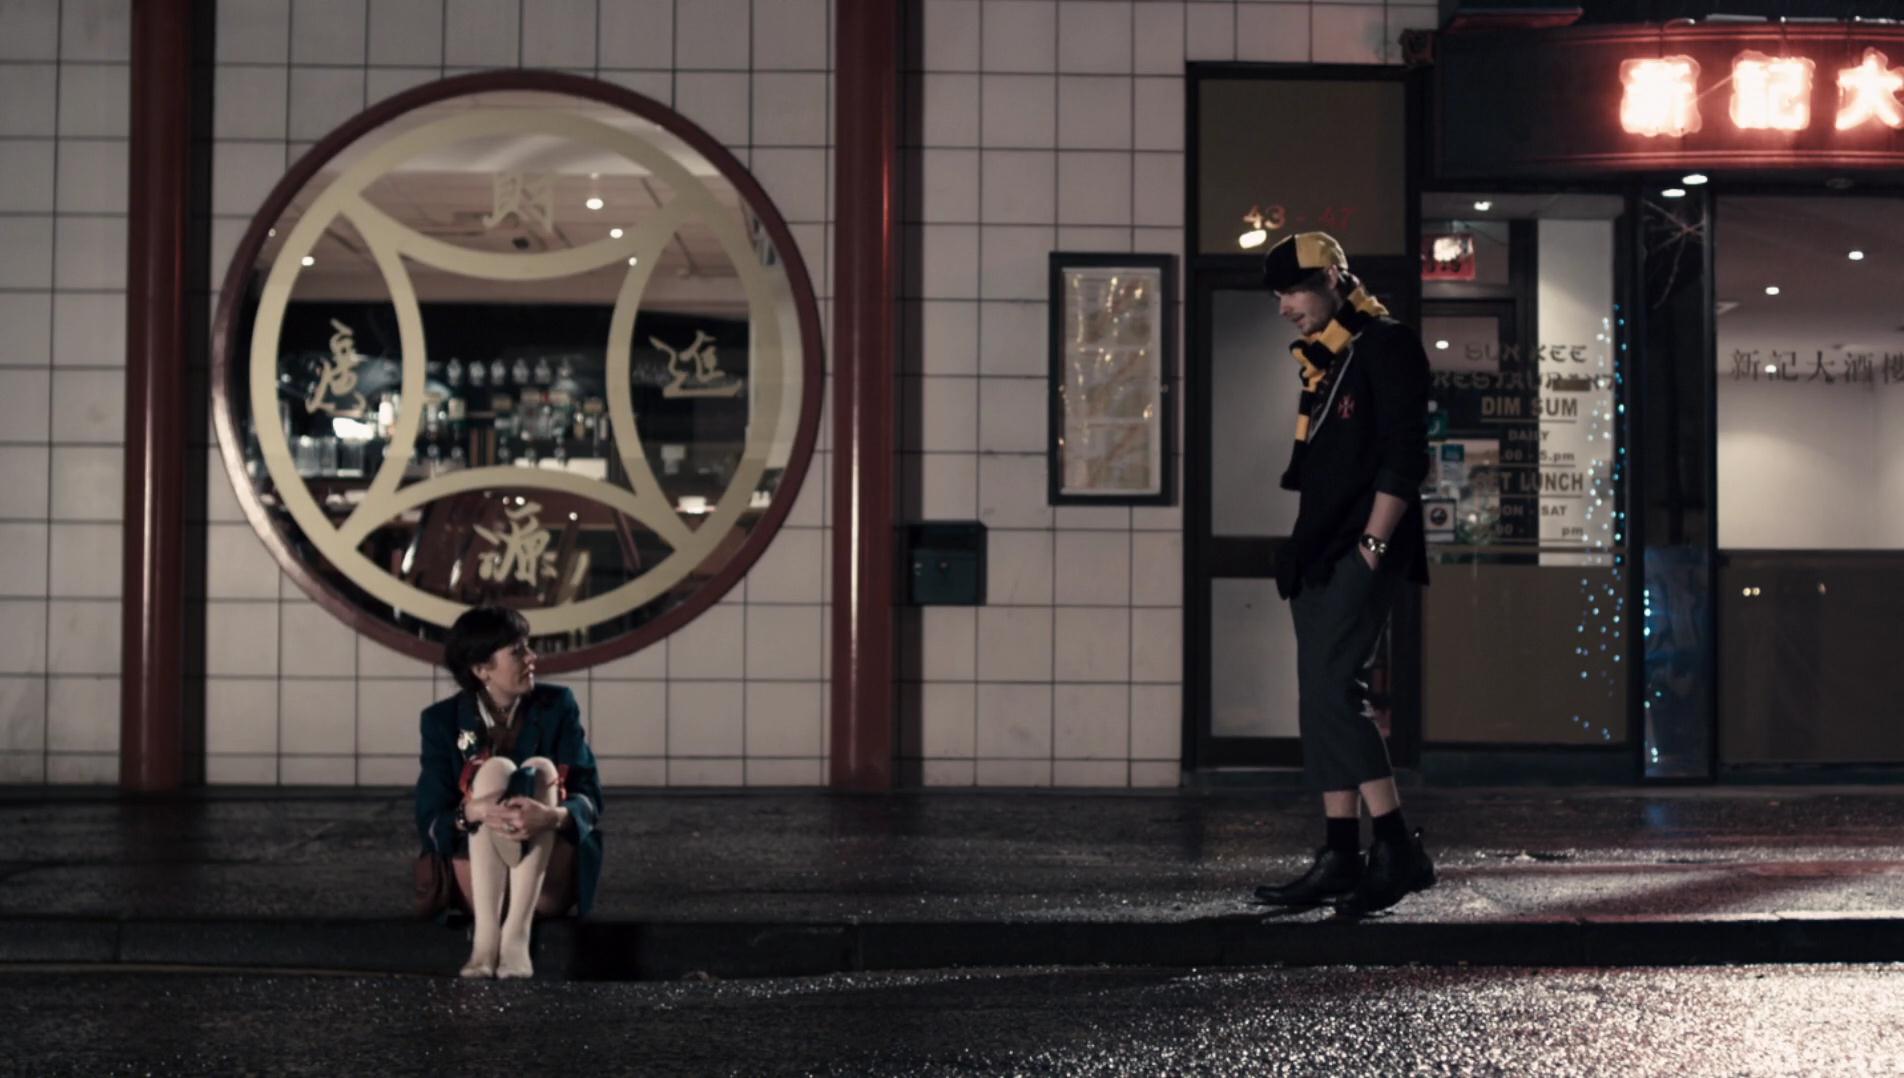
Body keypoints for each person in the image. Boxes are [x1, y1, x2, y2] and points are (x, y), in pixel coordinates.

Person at [1251, 232, 1435, 917]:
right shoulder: (1327, 360)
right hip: (1317, 552)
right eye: (1278, 295)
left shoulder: (1387, 344)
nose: (1283, 307)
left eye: (1292, 291)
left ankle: (1395, 845)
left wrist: (1372, 546)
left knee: (1336, 692)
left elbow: (1406, 456)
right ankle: (1340, 852)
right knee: (1320, 699)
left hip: (1361, 548)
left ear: (1331, 278)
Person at [414, 605, 604, 977]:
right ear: (481, 669)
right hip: (478, 881)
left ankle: (516, 933)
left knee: (540, 769)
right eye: (517, 651)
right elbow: (430, 820)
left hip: (546, 879)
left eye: (527, 647)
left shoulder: (557, 706)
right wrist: (474, 811)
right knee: (494, 770)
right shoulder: (441, 721)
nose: (532, 657)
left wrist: (551, 816)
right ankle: (486, 940)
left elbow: (590, 796)